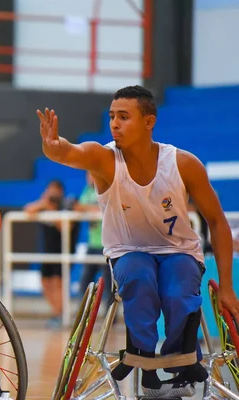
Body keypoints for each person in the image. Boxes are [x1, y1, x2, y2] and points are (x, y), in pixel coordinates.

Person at [37, 85, 239, 398]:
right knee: (140, 276)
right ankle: (146, 367)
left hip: (178, 251)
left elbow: (217, 221)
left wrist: (226, 286)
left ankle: (180, 365)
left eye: (124, 117)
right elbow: (68, 151)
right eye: (112, 117)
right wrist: (52, 146)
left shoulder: (183, 164)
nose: (114, 124)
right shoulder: (104, 159)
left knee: (177, 287)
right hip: (128, 252)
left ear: (149, 122)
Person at [23, 179, 78, 328]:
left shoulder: (66, 205)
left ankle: (62, 315)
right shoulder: (44, 205)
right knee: (46, 283)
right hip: (47, 252)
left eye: (55, 190)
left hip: (63, 252)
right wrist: (43, 203)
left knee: (58, 284)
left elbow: (64, 227)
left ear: (61, 192)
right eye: (50, 190)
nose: (53, 193)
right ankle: (57, 313)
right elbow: (28, 209)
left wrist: (52, 210)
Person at [75, 171, 112, 314]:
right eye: (88, 175)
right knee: (86, 281)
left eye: (92, 174)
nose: (89, 177)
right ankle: (83, 313)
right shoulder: (87, 190)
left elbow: (106, 209)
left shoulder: (106, 190)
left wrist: (87, 209)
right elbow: (78, 207)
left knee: (108, 283)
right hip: (92, 244)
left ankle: (110, 315)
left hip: (107, 244)